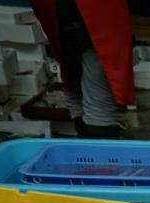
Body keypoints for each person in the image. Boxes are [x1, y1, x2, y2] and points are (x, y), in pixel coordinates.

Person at [31, 0, 134, 138]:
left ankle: (95, 147)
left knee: (96, 100)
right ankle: (89, 147)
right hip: (61, 16)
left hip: (94, 14)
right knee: (77, 90)